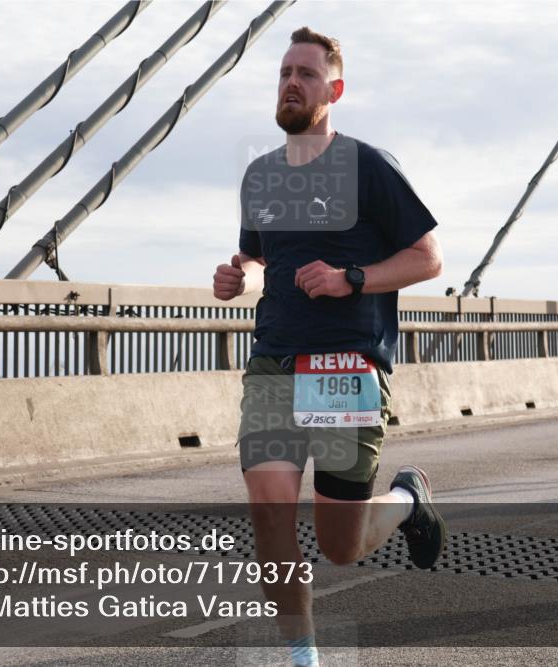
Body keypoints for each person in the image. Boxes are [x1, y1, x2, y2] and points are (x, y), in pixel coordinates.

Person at [212, 27, 445, 667]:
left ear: (334, 89)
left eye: (307, 74)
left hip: (345, 365)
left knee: (341, 543)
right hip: (273, 362)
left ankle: (407, 500)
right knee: (268, 513)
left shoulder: (367, 165)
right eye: (285, 72)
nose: (292, 82)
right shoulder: (260, 176)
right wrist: (240, 278)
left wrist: (354, 280)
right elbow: (260, 260)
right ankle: (304, 657)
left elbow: (429, 258)